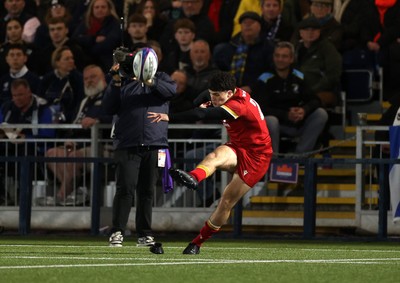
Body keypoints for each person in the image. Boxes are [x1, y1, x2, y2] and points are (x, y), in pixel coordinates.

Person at [148, 71, 273, 254]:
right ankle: (193, 178)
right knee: (215, 156)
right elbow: (198, 101)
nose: (213, 98)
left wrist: (170, 117)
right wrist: (207, 98)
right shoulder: (226, 93)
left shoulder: (239, 105)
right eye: (212, 93)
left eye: (217, 95)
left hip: (257, 157)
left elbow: (200, 113)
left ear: (230, 93)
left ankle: (197, 243)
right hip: (239, 146)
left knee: (226, 201)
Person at [103, 46, 176, 247]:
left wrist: (149, 80)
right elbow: (108, 107)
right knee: (125, 188)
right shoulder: (123, 81)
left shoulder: (162, 78)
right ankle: (117, 231)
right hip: (128, 143)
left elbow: (171, 92)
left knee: (147, 191)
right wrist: (116, 80)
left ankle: (145, 233)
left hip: (154, 143)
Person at [45, 65, 112, 206]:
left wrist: (97, 120)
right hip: (79, 145)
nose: (89, 81)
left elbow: (118, 118)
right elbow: (75, 125)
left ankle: (62, 195)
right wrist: (70, 140)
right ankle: (76, 191)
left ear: (103, 78)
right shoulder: (84, 101)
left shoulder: (111, 96)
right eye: (86, 79)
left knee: (75, 157)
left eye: (93, 77)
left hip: (103, 146)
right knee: (52, 153)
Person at [252, 41, 328, 155]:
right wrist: (286, 114)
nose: (280, 59)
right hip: (276, 124)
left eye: (284, 56)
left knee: (321, 114)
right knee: (271, 120)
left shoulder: (299, 77)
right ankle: (273, 160)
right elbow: (259, 108)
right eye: (277, 56)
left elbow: (315, 100)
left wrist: (304, 110)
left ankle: (300, 156)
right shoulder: (265, 78)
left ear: (291, 59)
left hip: (297, 122)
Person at [0, 78, 55, 205]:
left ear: (29, 92)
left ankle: (23, 197)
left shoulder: (43, 108)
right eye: (14, 95)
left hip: (34, 150)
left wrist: (26, 138)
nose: (17, 98)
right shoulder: (6, 107)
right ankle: (3, 196)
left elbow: (49, 136)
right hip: (9, 146)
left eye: (20, 95)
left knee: (25, 150)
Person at [213, 11, 273, 93]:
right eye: (244, 23)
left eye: (251, 23)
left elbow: (270, 71)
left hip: (258, 91)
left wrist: (252, 87)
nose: (247, 25)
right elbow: (220, 69)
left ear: (259, 26)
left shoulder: (267, 47)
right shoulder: (231, 46)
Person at [293, 17, 342, 108]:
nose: (310, 33)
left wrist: (313, 90)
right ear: (300, 33)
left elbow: (333, 74)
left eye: (314, 30)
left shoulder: (327, 48)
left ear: (319, 32)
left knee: (310, 102)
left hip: (322, 91)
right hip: (299, 90)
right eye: (307, 30)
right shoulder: (296, 48)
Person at [37, 45, 84, 125]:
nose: (71, 61)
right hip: (48, 120)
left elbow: (79, 102)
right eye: (67, 59)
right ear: (57, 62)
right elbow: (40, 99)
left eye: (72, 58)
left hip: (70, 121)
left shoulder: (78, 79)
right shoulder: (47, 79)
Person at [71, 0, 121, 72]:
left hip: (107, 61)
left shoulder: (115, 23)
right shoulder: (86, 22)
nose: (100, 10)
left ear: (109, 9)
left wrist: (89, 49)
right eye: (96, 7)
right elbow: (76, 39)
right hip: (86, 62)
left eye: (103, 7)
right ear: (92, 9)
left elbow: (110, 43)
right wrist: (93, 39)